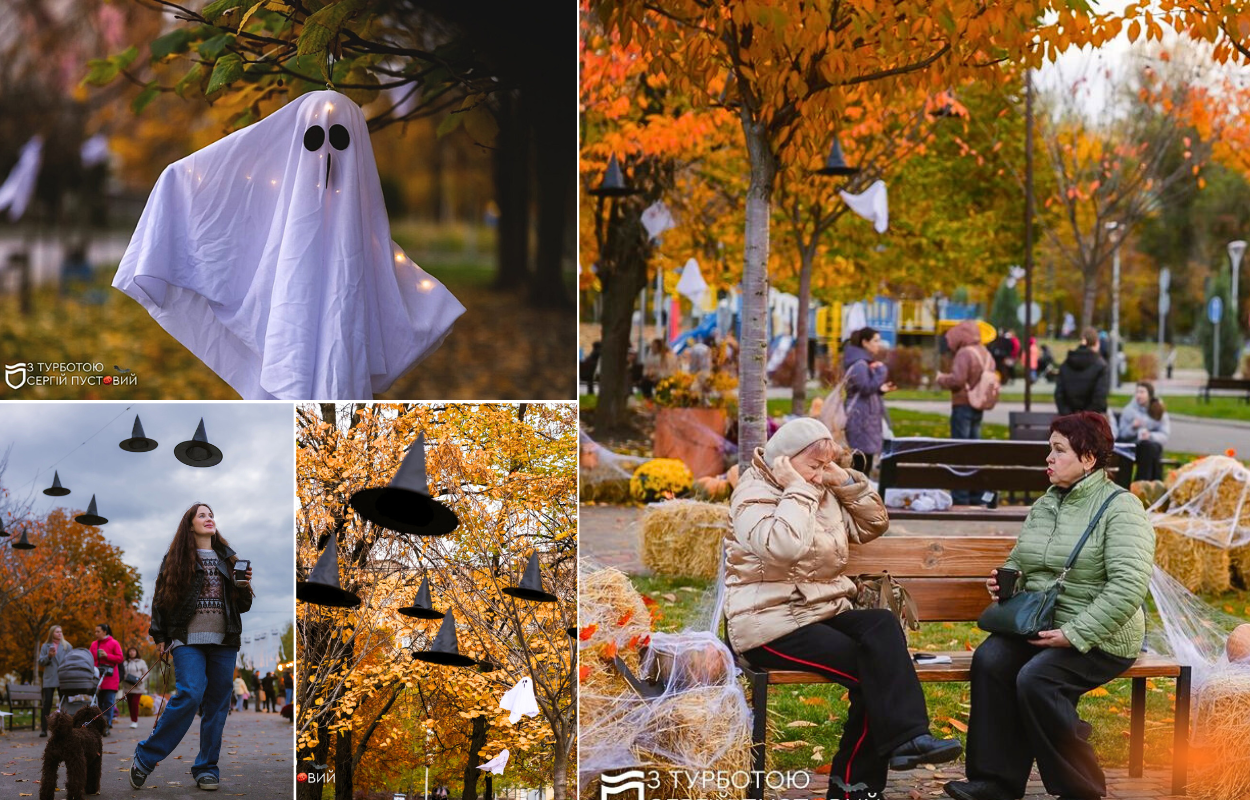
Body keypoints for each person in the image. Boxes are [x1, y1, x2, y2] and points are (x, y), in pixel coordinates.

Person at [725, 418, 962, 800]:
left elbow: (874, 524)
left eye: (825, 466)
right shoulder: (753, 493)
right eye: (813, 466)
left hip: (822, 610)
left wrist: (845, 481)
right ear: (784, 460)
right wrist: (798, 489)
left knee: (881, 626)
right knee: (875, 671)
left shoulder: (822, 488)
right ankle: (858, 784)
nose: (819, 476)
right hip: (769, 624)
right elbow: (782, 547)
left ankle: (909, 740)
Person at [945, 412, 1154, 800]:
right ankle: (996, 783)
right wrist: (1005, 579)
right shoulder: (1046, 503)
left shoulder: (1121, 508)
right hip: (1041, 625)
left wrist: (1074, 634)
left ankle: (1082, 788)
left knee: (1037, 680)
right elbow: (1021, 559)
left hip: (1102, 636)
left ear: (1088, 458)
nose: (1049, 458)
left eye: (1059, 450)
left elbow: (1128, 587)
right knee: (990, 660)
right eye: (1050, 449)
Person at [130, 502, 253, 793]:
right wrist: (160, 635)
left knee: (218, 705)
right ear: (190, 525)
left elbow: (243, 606)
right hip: (186, 639)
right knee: (190, 694)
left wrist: (243, 586)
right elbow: (160, 598)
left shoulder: (228, 559)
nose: (209, 518)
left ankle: (206, 768)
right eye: (202, 515)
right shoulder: (176, 559)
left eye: (211, 515)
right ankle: (146, 757)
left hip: (224, 641)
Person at [936, 320, 998, 503]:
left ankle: (961, 496)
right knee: (973, 450)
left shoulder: (965, 353)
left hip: (963, 405)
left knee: (960, 451)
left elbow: (957, 380)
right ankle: (976, 494)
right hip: (978, 405)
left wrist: (941, 379)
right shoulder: (985, 353)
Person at [840, 327, 897, 475]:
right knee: (862, 463)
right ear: (865, 342)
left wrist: (880, 390)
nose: (878, 344)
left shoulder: (862, 362)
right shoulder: (860, 364)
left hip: (865, 418)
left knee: (864, 461)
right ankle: (858, 489)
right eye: (875, 341)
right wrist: (881, 371)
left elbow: (864, 389)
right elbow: (865, 388)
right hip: (861, 420)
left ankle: (859, 488)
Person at [1117, 382, 1170, 482]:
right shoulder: (1129, 410)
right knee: (1146, 449)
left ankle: (1143, 482)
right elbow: (1121, 434)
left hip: (1150, 447)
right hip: (1132, 447)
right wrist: (1133, 428)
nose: (1139, 395)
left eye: (1142, 392)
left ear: (1149, 395)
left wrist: (1150, 436)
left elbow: (1164, 436)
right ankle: (1148, 482)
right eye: (1137, 392)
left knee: (1149, 447)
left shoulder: (1158, 410)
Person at [1055, 328, 1110, 416]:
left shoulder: (1066, 364)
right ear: (1096, 343)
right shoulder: (1101, 365)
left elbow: (1059, 395)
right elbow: (1100, 397)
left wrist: (1069, 416)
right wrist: (1085, 417)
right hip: (1091, 419)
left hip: (1068, 419)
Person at [90, 623, 124, 735]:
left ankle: (107, 725)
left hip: (110, 678)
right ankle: (98, 725)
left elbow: (120, 658)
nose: (96, 634)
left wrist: (107, 656)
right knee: (98, 703)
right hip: (97, 678)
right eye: (95, 631)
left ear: (105, 632)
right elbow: (90, 659)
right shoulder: (94, 644)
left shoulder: (114, 643)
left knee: (109, 702)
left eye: (98, 631)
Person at [38, 625, 71, 737]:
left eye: (61, 631)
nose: (59, 633)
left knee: (64, 703)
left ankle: (64, 728)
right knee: (47, 702)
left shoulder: (67, 646)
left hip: (62, 677)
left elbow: (71, 660)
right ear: (52, 633)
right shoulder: (45, 646)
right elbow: (40, 662)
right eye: (57, 632)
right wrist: (49, 656)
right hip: (50, 678)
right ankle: (44, 728)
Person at [122, 646, 150, 729]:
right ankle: (132, 720)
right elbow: (122, 673)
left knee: (134, 703)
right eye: (130, 651)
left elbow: (146, 673)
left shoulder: (141, 662)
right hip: (127, 687)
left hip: (138, 687)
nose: (132, 652)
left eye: (133, 651)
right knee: (130, 704)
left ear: (136, 652)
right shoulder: (125, 662)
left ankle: (134, 721)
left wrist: (140, 680)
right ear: (128, 653)